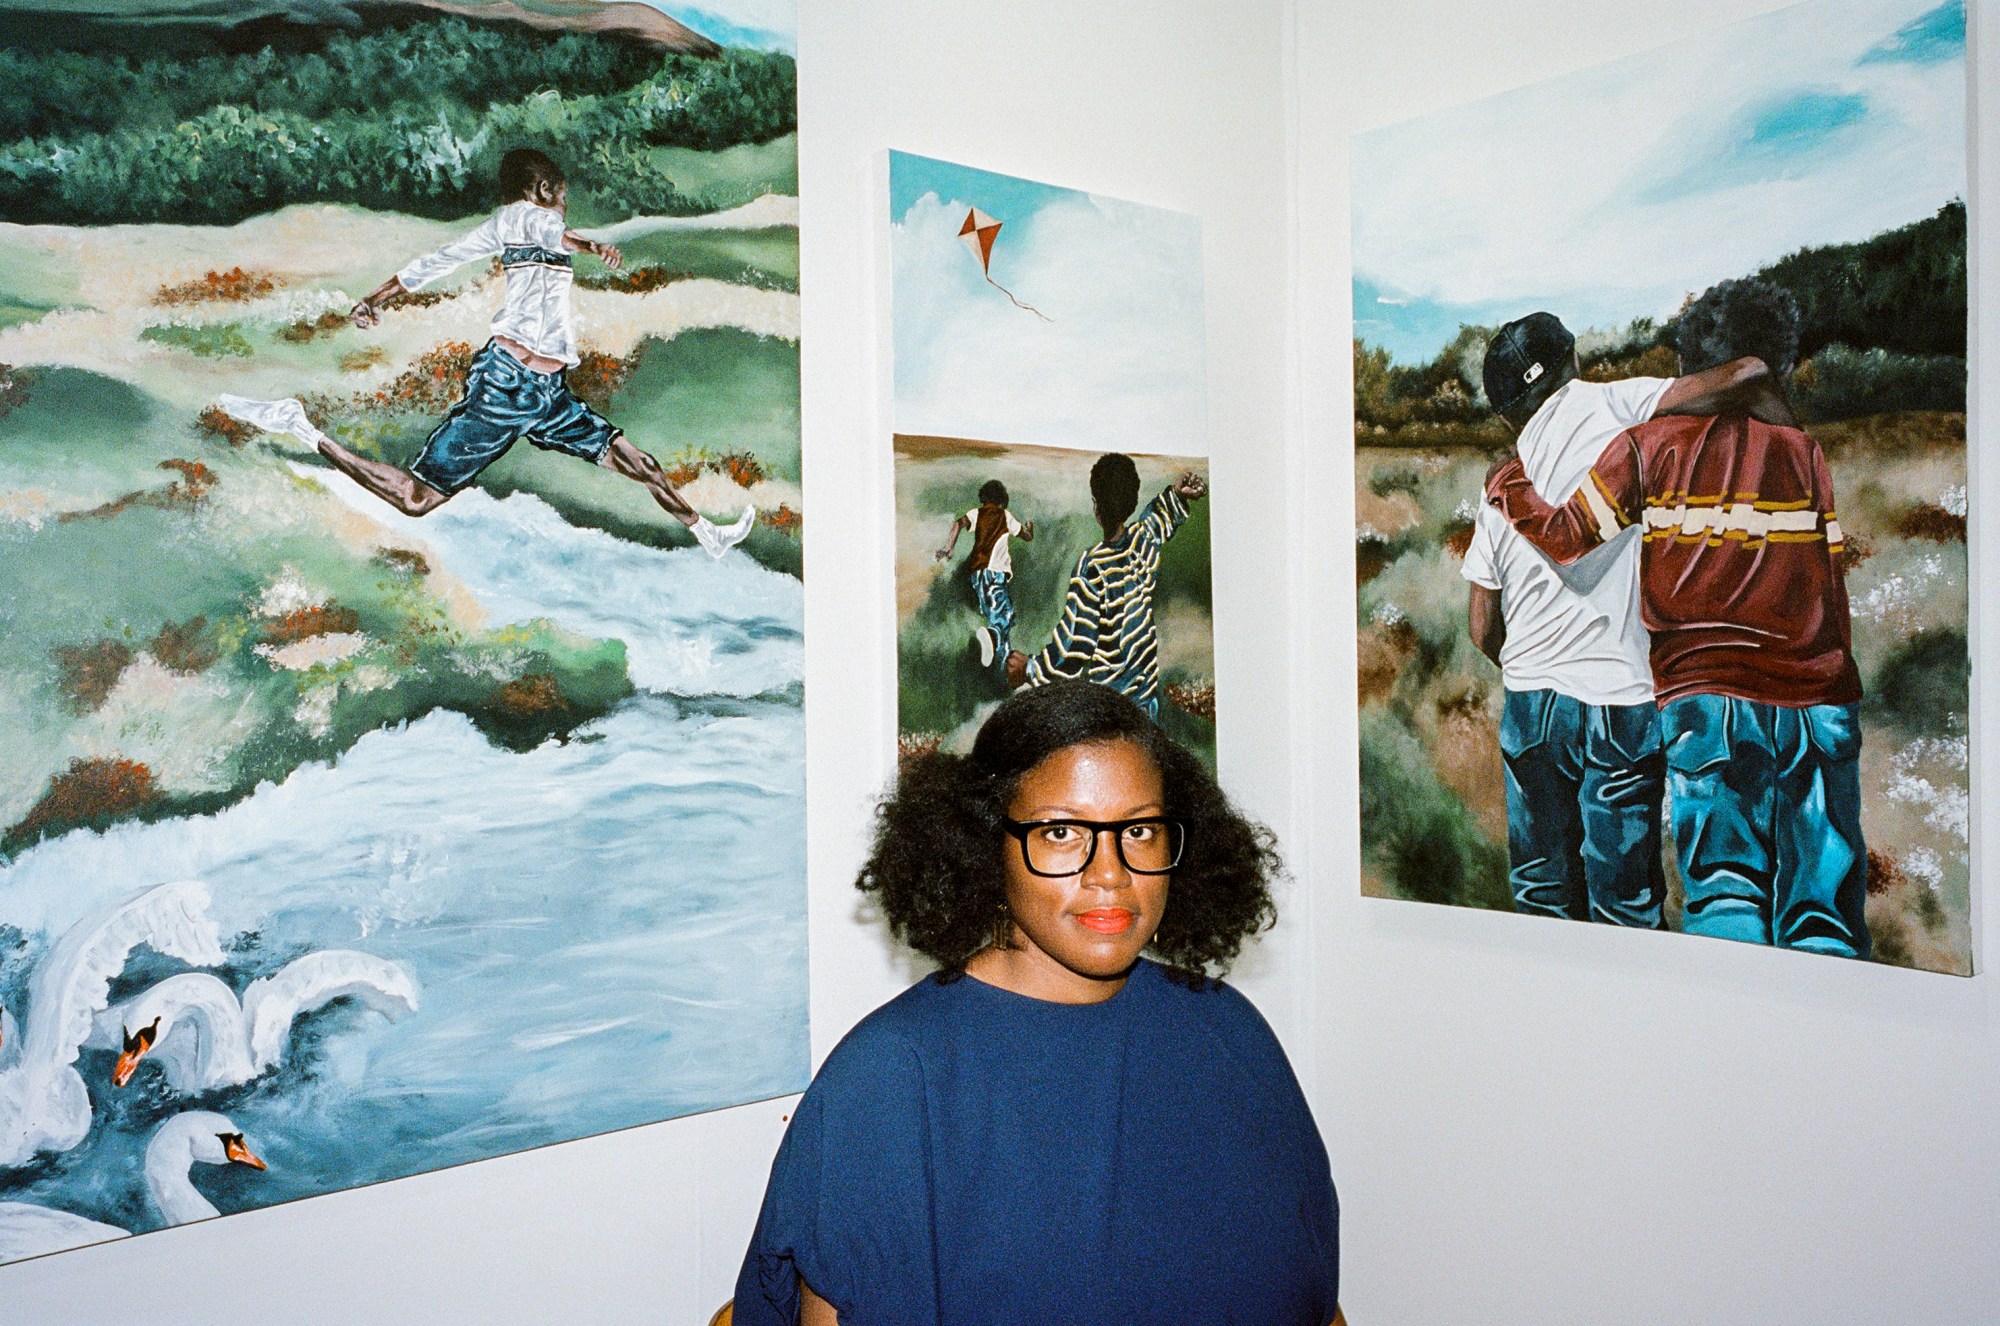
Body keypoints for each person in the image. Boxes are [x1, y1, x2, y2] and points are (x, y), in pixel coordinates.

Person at [733, 681, 1340, 1326]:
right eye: (1060, 832)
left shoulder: (1231, 1034)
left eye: (1138, 829)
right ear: (985, 847)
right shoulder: (889, 1083)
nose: (1110, 872)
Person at [1484, 280, 1869, 958]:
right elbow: (1829, 583)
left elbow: (1561, 545)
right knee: (1815, 915)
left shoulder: (1647, 444)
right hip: (1782, 691)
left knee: (1713, 894)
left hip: (1693, 691)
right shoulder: (1796, 450)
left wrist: (1508, 484)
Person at [234, 148, 752, 558]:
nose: (563, 206)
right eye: (562, 195)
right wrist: (591, 245)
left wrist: (375, 298)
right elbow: (546, 229)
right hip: (505, 385)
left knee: (637, 461)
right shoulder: (527, 218)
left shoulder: (518, 230)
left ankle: (706, 531)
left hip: (548, 395)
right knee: (416, 500)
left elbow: (436, 262)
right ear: (544, 190)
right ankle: (299, 425)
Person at [1463, 311, 1789, 928]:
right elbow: (1749, 371)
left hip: (1531, 701)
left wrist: (1531, 664)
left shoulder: (1504, 479)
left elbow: (1483, 626)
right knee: (1626, 907)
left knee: (1540, 897)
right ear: (1570, 363)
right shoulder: (1621, 405)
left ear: (1508, 408)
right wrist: (1794, 459)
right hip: (1621, 697)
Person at [1005, 454, 1206, 719]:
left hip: (1112, 711)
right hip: (1146, 704)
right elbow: (1157, 520)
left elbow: (1074, 647)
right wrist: (1178, 495)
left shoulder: (1092, 567)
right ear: (1132, 501)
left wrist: (1030, 669)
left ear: (1095, 507)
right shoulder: (1141, 542)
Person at [935, 478, 1034, 672]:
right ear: (1002, 502)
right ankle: (992, 637)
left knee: (998, 623)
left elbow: (958, 524)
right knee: (1004, 617)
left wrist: (948, 548)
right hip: (995, 574)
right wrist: (1030, 530)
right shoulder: (1005, 515)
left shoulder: (977, 513)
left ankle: (1000, 668)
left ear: (983, 501)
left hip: (977, 576)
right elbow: (1026, 536)